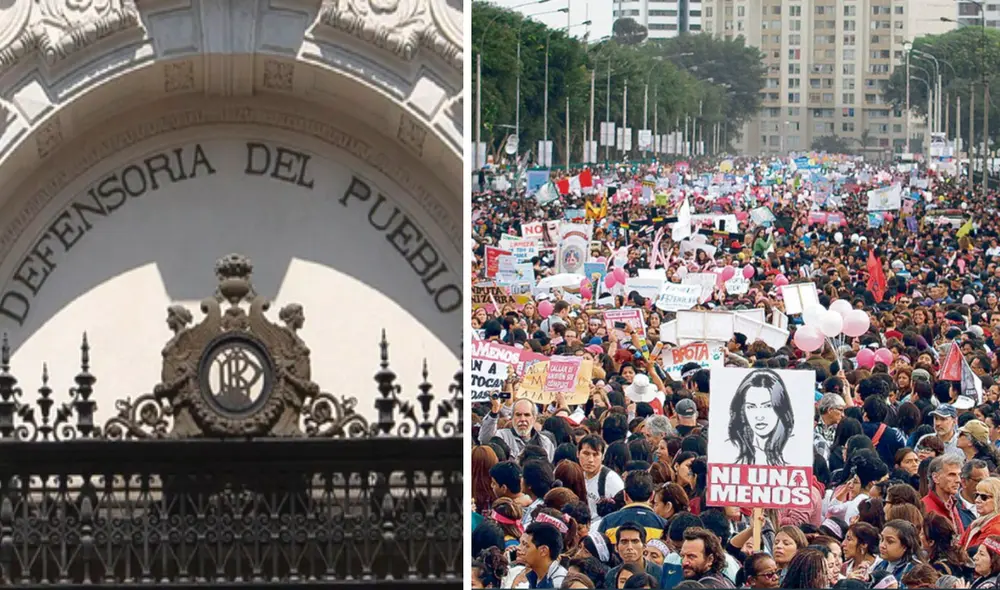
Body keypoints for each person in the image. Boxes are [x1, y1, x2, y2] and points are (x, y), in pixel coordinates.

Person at [721, 369, 796, 466]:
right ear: (742, 411)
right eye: (751, 407)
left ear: (780, 407)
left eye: (767, 406)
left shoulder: (795, 448)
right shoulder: (729, 449)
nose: (759, 416)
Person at [480, 395, 556, 462]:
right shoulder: (502, 436)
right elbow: (486, 440)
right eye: (518, 415)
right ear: (512, 417)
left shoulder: (546, 443)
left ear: (534, 418)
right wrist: (494, 413)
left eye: (527, 415)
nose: (522, 419)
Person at [602, 522, 663, 589]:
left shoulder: (660, 573)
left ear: (644, 546)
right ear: (616, 547)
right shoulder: (611, 575)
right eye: (624, 542)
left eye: (635, 541)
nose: (629, 547)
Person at [521, 522, 568, 588]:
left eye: (526, 545)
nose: (520, 549)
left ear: (543, 551)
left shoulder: (557, 584)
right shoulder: (535, 574)